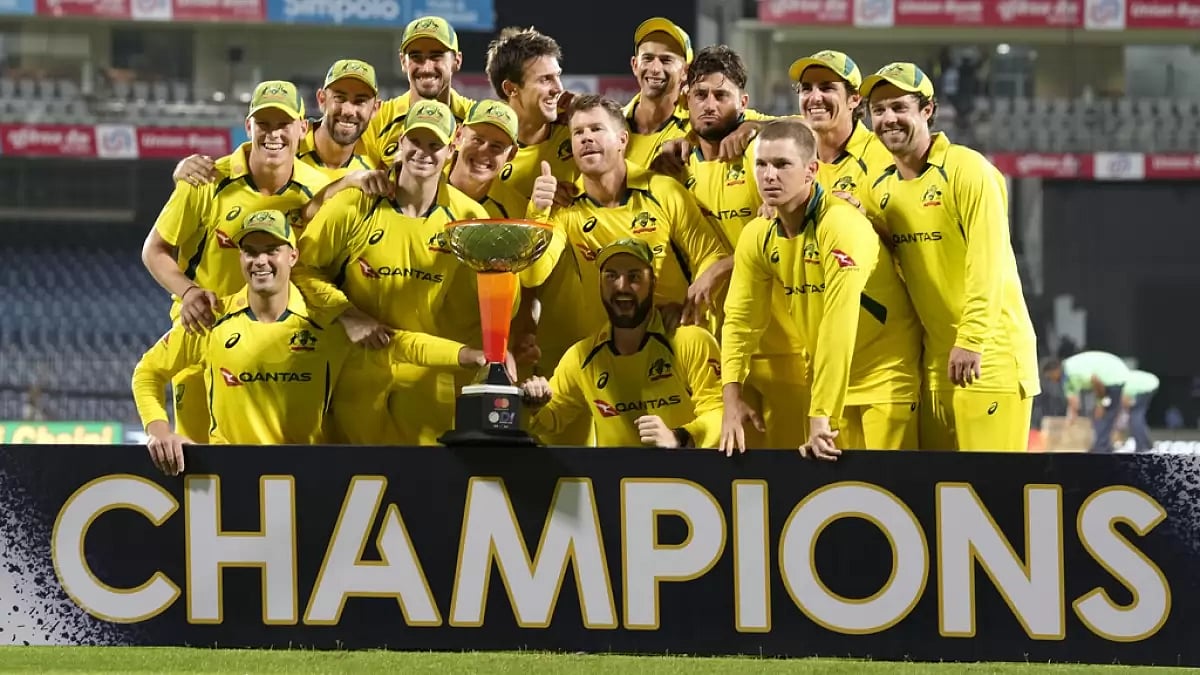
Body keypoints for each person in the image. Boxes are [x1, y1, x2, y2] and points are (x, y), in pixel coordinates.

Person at [132, 210, 485, 474]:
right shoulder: (213, 319)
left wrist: (465, 354)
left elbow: (399, 344)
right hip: (230, 475)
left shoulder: (325, 325)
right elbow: (147, 372)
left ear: (293, 256)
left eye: (272, 249)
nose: (260, 261)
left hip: (305, 478)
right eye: (250, 251)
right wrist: (159, 430)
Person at [141, 80, 332, 444]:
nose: (273, 134)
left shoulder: (320, 189)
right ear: (249, 127)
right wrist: (190, 291)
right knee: (197, 464)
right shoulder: (206, 180)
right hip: (204, 332)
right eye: (264, 124)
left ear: (303, 129)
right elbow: (155, 250)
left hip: (281, 344)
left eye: (283, 124)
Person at [293, 99, 493, 446]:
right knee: (351, 482)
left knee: (428, 485)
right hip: (353, 369)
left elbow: (481, 304)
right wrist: (346, 314)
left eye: (435, 145)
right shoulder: (354, 203)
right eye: (415, 142)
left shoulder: (469, 221)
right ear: (400, 142)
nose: (424, 153)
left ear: (452, 146)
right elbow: (301, 269)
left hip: (428, 375)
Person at [861, 62, 1040, 452]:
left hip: (988, 357)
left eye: (899, 107)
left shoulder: (969, 169)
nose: (888, 119)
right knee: (939, 500)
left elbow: (987, 262)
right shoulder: (881, 189)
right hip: (935, 362)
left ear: (927, 110)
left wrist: (972, 340)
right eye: (879, 110)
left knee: (991, 497)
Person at [721, 119, 921, 459]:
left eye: (782, 164)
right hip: (824, 382)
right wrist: (731, 401)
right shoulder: (758, 234)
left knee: (888, 497)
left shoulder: (842, 225)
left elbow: (838, 323)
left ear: (811, 170)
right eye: (762, 165)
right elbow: (740, 320)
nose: (769, 175)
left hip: (884, 378)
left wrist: (821, 414)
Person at [652, 44, 809, 451]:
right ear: (685, 101)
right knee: (744, 479)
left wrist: (759, 126)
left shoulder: (764, 155)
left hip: (787, 348)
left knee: (797, 472)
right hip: (727, 352)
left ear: (742, 102)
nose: (709, 105)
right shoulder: (678, 164)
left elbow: (809, 127)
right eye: (700, 95)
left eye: (721, 96)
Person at [520, 239, 723, 448]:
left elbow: (719, 412)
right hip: (616, 480)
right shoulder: (581, 357)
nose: (622, 286)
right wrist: (534, 405)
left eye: (634, 277)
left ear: (653, 282)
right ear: (599, 284)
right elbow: (551, 419)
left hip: (687, 476)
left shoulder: (691, 342)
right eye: (611, 276)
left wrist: (678, 437)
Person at [173, 62, 382, 186]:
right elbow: (231, 177)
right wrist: (187, 170)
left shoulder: (371, 170)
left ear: (375, 109)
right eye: (339, 98)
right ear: (321, 100)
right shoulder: (285, 142)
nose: (348, 110)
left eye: (360, 101)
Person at [788, 50, 892, 215]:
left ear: (854, 99)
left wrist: (863, 221)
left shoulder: (884, 155)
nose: (815, 97)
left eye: (827, 88)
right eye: (806, 88)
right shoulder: (789, 156)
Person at [364, 16, 476, 166]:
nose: (427, 68)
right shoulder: (377, 121)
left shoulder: (475, 121)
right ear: (403, 62)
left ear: (457, 60)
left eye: (436, 56)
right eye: (416, 57)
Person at [1061, 350, 1130, 453]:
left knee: (1106, 413)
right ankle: (1101, 445)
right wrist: (1072, 414)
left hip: (1113, 378)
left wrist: (1100, 403)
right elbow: (1073, 399)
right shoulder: (1067, 372)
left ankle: (1101, 448)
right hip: (1105, 381)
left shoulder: (1073, 372)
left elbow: (1096, 380)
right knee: (1099, 414)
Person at [1122, 368, 1160, 452]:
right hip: (1150, 384)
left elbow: (1125, 402)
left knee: (1135, 418)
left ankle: (1142, 446)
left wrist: (1125, 413)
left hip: (1145, 387)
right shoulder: (1121, 381)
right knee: (1137, 417)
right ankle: (1147, 444)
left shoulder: (1121, 386)